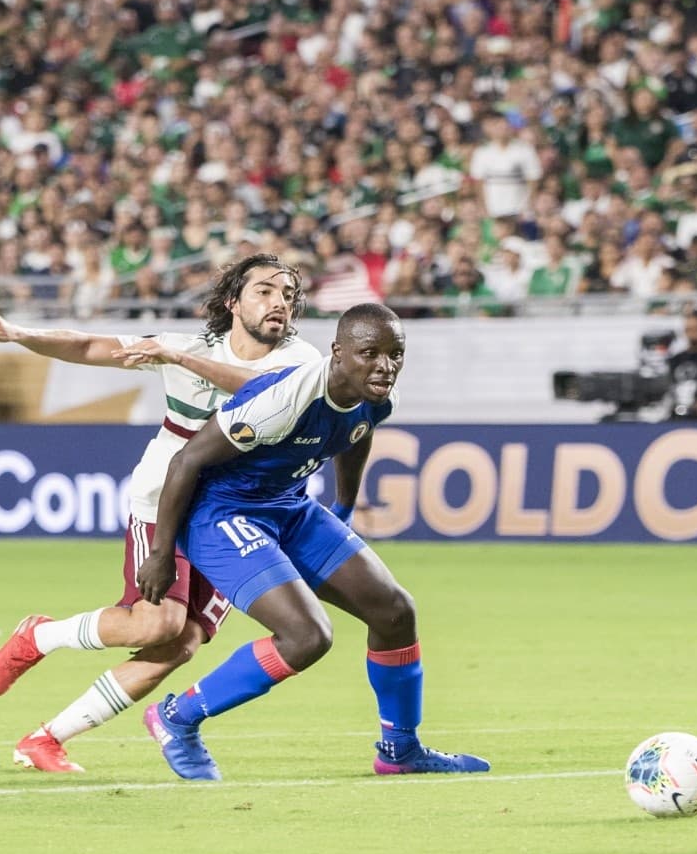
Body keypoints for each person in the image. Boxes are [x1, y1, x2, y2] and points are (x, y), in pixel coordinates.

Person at [0, 254, 320, 773]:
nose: (279, 303)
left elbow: (253, 387)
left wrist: (177, 360)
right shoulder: (182, 347)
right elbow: (88, 345)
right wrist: (20, 333)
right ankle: (39, 636)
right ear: (233, 302)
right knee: (156, 624)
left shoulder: (301, 362)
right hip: (166, 501)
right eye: (265, 291)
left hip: (236, 514)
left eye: (288, 295)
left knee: (182, 643)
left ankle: (46, 738)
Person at [137, 302, 489, 781]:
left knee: (394, 612)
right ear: (338, 353)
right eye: (371, 353)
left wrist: (343, 507)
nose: (385, 366)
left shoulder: (378, 395)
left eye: (396, 354)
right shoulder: (284, 399)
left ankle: (400, 751)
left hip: (289, 508)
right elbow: (186, 463)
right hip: (220, 513)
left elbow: (358, 432)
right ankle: (176, 718)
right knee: (307, 637)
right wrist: (163, 555)